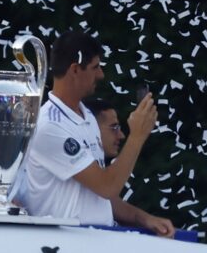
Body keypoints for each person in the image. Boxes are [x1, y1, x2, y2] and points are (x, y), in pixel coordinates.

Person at [17, 33, 174, 235]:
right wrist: (137, 136)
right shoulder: (50, 126)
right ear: (75, 69)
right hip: (64, 246)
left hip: (95, 241)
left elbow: (98, 196)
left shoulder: (87, 116)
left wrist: (143, 218)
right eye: (95, 67)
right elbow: (107, 186)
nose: (101, 75)